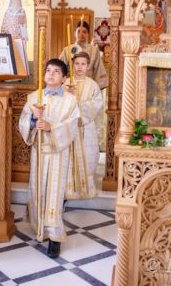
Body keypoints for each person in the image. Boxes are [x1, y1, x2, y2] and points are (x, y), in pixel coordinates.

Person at [18, 59, 80, 258]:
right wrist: (33, 119)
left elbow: (72, 125)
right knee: (38, 189)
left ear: (64, 78)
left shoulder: (70, 100)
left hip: (58, 153)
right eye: (48, 70)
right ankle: (40, 227)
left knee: (54, 192)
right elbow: (23, 122)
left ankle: (54, 236)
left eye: (56, 71)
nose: (51, 74)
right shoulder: (34, 97)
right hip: (38, 152)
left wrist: (51, 127)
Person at [64, 52, 103, 200]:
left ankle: (85, 189)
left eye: (83, 64)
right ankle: (68, 190)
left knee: (87, 156)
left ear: (88, 66)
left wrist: (79, 109)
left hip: (86, 126)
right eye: (77, 64)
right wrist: (67, 95)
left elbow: (96, 104)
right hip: (68, 127)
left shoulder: (92, 85)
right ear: (72, 65)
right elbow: (59, 102)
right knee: (69, 157)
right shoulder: (65, 83)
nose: (79, 67)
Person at [59, 20, 108, 89]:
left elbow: (100, 73)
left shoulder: (94, 51)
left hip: (88, 88)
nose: (81, 34)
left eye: (84, 32)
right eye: (78, 31)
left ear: (88, 34)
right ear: (74, 33)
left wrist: (94, 89)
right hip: (70, 88)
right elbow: (60, 70)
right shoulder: (67, 50)